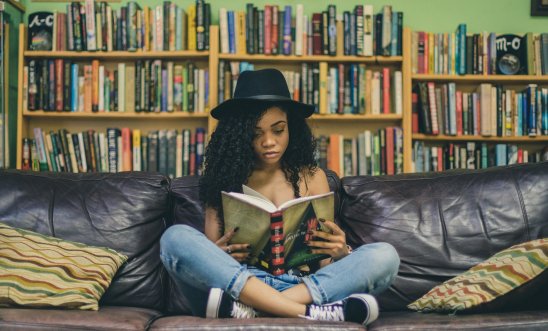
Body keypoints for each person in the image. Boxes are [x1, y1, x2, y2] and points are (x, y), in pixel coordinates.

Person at [160, 68, 400, 326]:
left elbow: (323, 263)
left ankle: (258, 309)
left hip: (302, 285)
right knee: (174, 239)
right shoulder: (221, 178)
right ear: (240, 135)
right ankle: (307, 313)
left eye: (278, 130)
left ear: (291, 129)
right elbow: (211, 260)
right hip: (239, 282)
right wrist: (217, 253)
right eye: (256, 133)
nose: (268, 142)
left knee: (385, 256)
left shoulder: (313, 177)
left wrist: (341, 252)